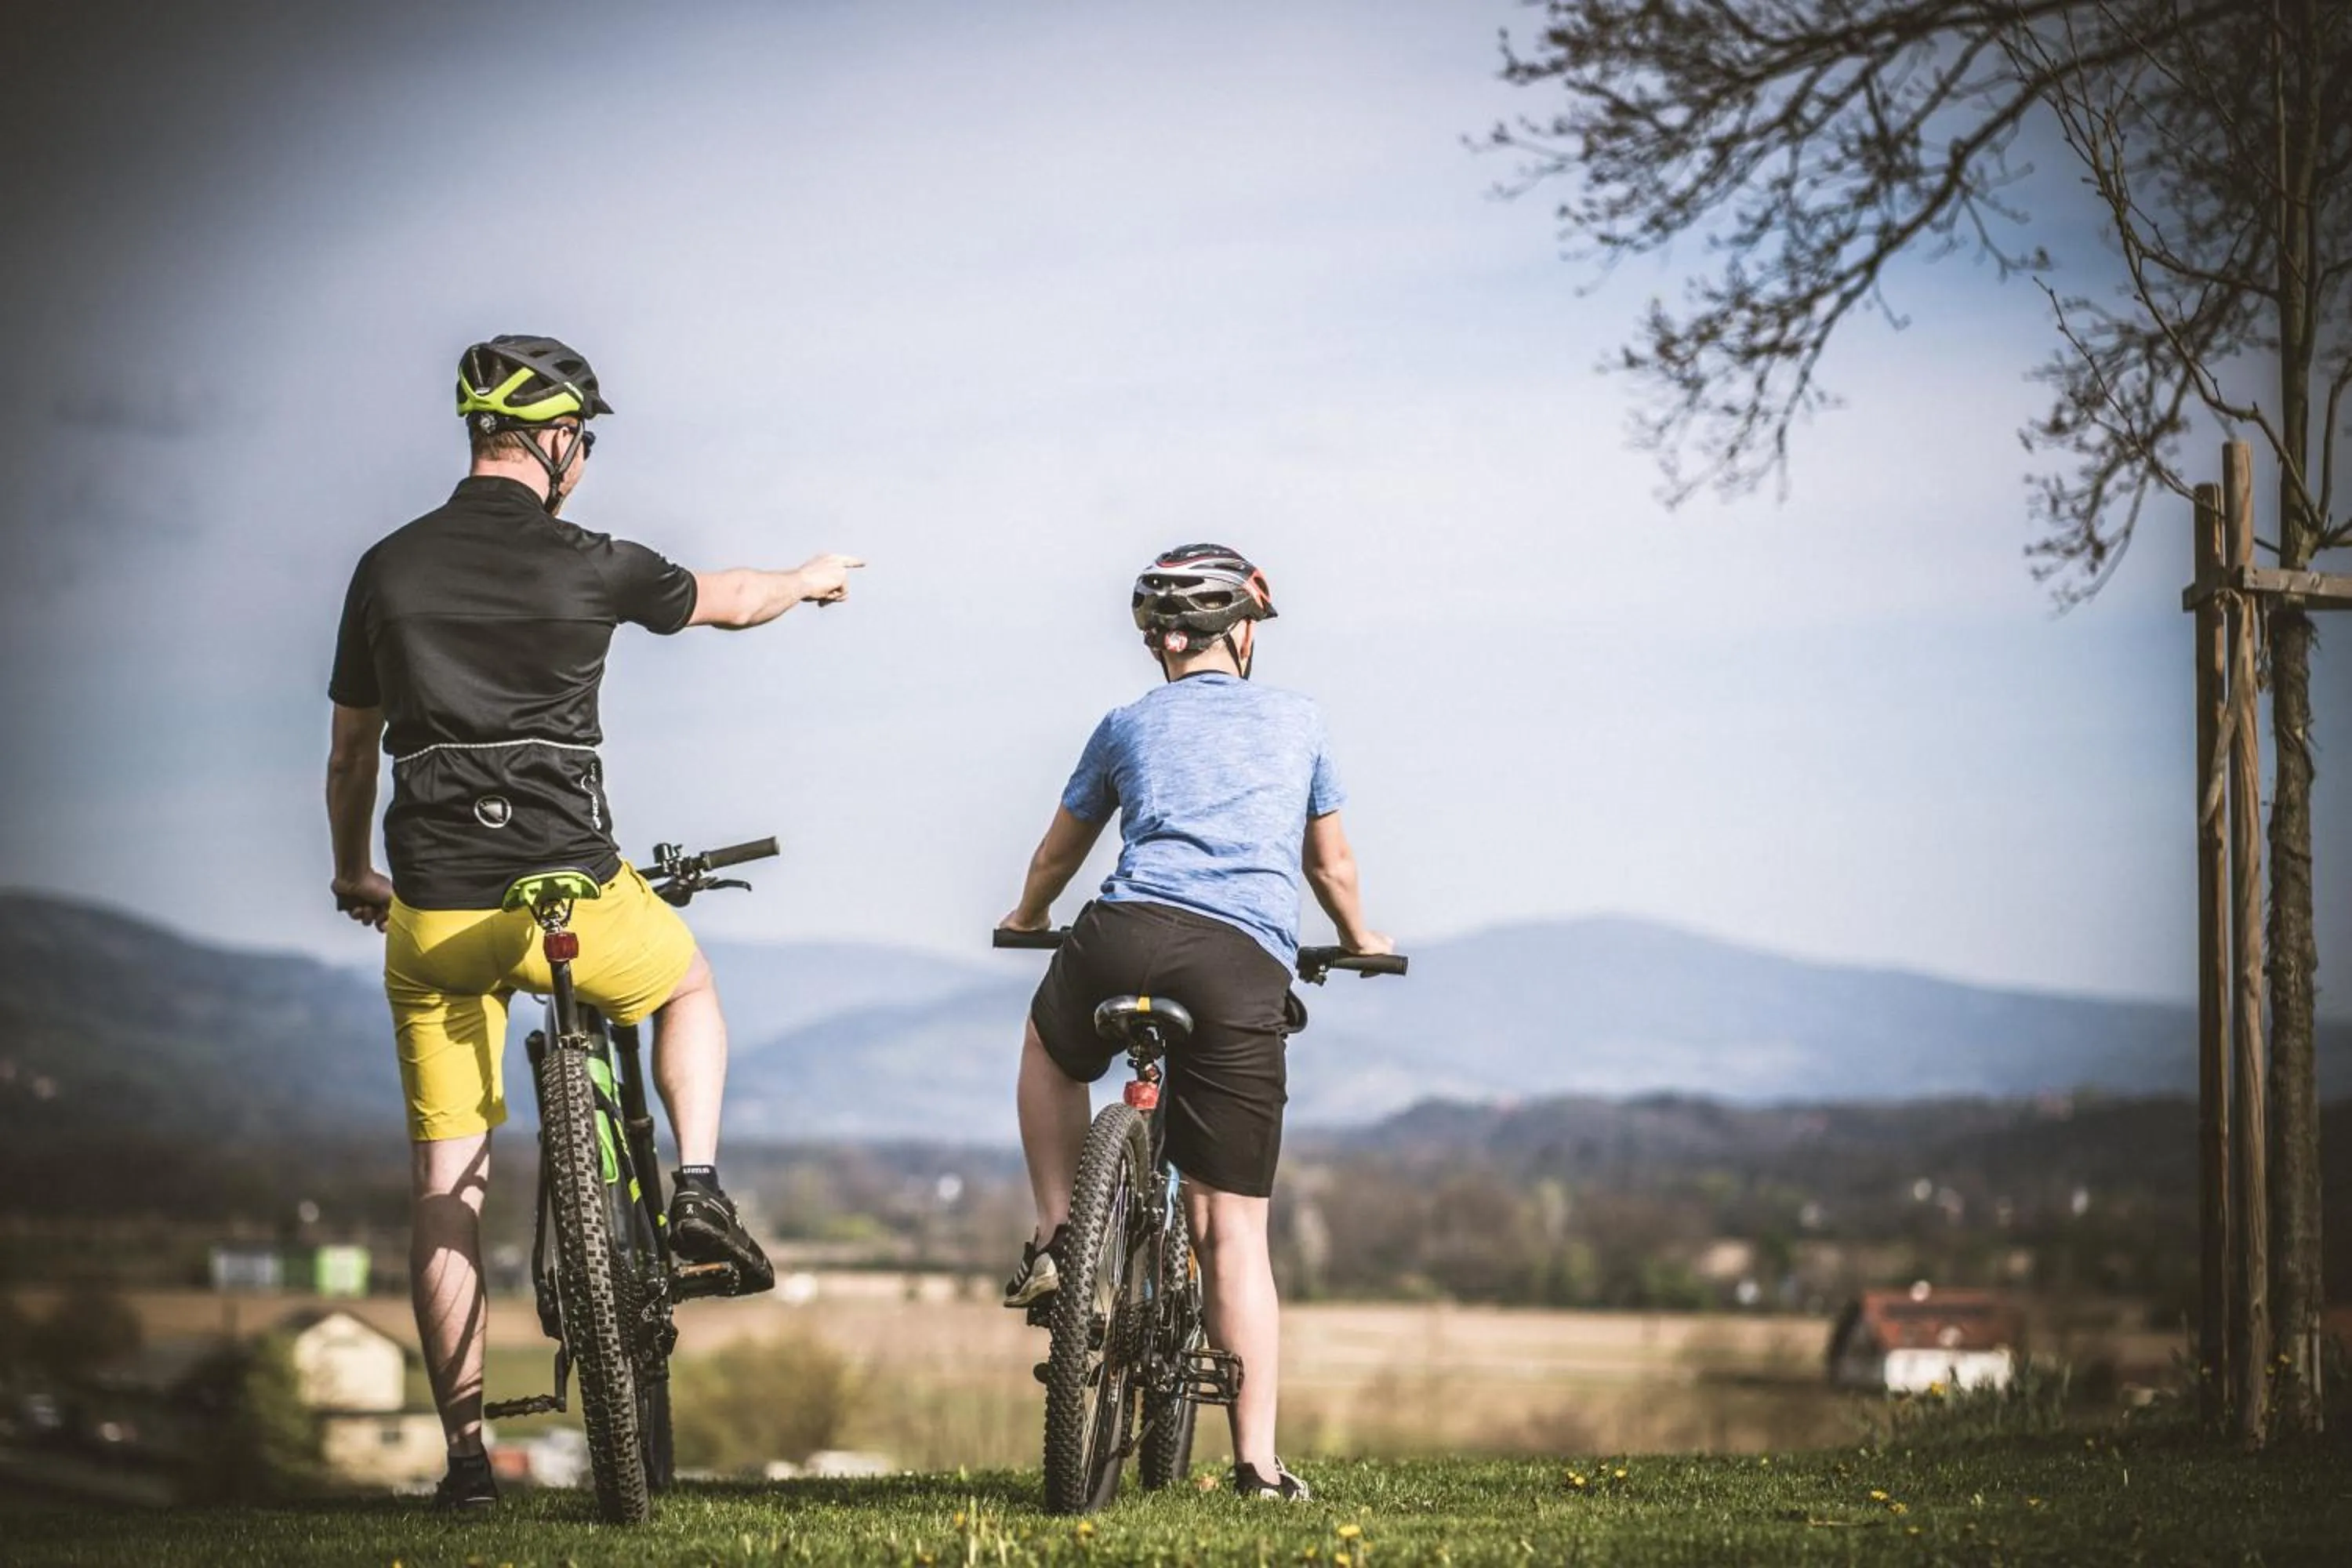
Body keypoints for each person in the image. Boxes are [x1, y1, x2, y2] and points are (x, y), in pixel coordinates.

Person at [324, 334, 861, 1512]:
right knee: (687, 987)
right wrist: (811, 577)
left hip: (438, 912)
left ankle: (468, 1464)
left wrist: (355, 870)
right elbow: (733, 601)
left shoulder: (385, 570)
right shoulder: (592, 560)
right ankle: (700, 1186)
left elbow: (352, 753)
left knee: (446, 1188)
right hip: (573, 893)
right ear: (559, 439)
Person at [996, 543, 1391, 1501]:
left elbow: (1058, 852)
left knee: (1051, 1046)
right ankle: (1256, 1464)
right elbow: (1330, 865)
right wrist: (1361, 936)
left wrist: (1028, 916)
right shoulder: (1298, 719)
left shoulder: (1125, 723)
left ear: (1160, 643)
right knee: (1231, 1227)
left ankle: (1057, 1235)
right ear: (1243, 632)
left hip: (1120, 933)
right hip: (1235, 960)